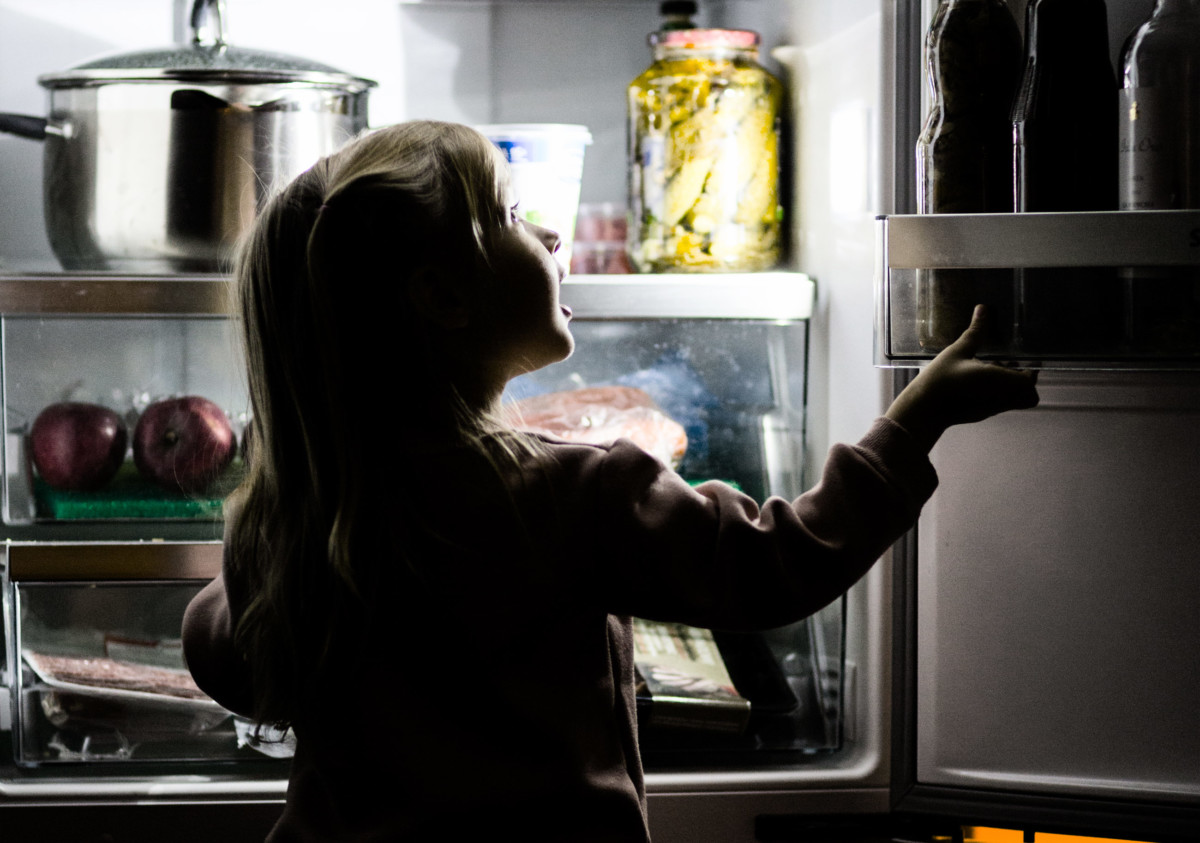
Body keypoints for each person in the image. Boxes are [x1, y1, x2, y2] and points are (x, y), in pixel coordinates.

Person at [182, 119, 1038, 842]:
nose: (551, 234)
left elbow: (227, 657)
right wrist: (913, 420)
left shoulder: (293, 520)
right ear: (442, 297)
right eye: (513, 215)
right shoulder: (574, 493)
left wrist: (265, 543)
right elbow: (774, 563)